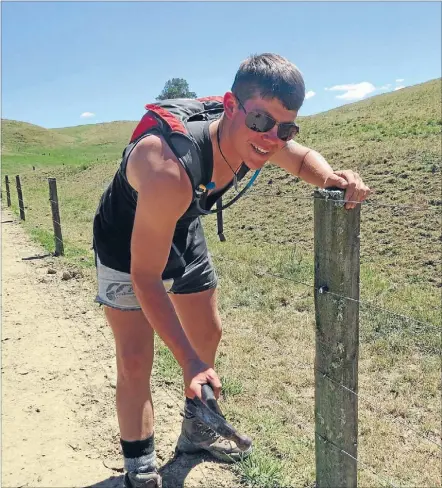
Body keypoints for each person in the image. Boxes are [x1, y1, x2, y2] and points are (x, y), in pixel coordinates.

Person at [92, 52, 371, 488]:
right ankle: (140, 469)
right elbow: (146, 278)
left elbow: (300, 160)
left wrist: (333, 177)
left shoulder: (261, 138)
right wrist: (187, 363)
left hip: (181, 223)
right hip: (126, 239)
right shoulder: (166, 168)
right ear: (230, 105)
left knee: (208, 332)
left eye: (287, 127)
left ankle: (195, 435)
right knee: (134, 356)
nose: (272, 138)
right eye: (261, 121)